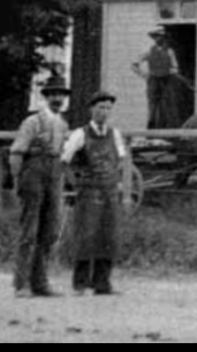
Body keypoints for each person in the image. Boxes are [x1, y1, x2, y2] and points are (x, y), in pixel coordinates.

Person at [9, 74, 72, 298]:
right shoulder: (32, 122)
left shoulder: (63, 124)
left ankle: (40, 282)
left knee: (50, 231)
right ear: (46, 97)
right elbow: (17, 153)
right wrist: (18, 181)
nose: (58, 99)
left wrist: (66, 180)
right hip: (33, 173)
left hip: (54, 174)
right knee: (29, 230)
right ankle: (22, 284)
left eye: (61, 95)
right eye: (53, 94)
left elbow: (65, 154)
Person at [60, 91, 128, 296]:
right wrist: (74, 184)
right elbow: (64, 161)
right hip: (88, 191)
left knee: (108, 235)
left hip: (109, 190)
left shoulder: (114, 133)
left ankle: (102, 284)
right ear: (92, 109)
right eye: (100, 108)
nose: (104, 112)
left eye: (108, 108)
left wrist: (116, 181)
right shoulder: (80, 134)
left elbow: (121, 159)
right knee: (86, 235)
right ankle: (80, 283)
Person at [130, 27, 182, 130]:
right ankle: (151, 126)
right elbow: (134, 65)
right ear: (154, 38)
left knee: (168, 103)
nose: (159, 39)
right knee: (153, 104)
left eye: (161, 37)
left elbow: (175, 67)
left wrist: (172, 71)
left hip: (166, 80)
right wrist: (144, 75)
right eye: (157, 37)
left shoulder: (170, 51)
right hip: (154, 80)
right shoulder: (149, 52)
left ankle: (170, 127)